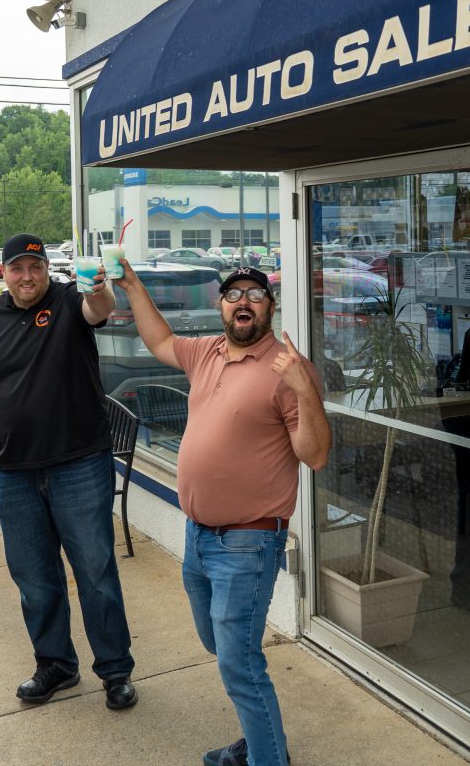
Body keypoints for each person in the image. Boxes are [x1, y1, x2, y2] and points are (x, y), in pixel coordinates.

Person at [115, 261, 331, 766]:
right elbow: (160, 341)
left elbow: (315, 455)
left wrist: (303, 388)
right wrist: (131, 286)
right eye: (233, 294)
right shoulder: (208, 352)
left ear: (269, 307)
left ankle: (265, 757)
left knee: (239, 662)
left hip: (248, 543)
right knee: (223, 646)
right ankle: (259, 741)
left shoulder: (286, 368)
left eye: (255, 294)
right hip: (199, 537)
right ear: (221, 305)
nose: (243, 302)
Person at [0, 233, 137, 711]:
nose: (27, 276)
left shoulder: (69, 299)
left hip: (80, 464)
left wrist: (98, 285)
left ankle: (115, 671)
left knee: (95, 573)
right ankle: (56, 664)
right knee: (34, 578)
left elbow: (99, 307)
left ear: (47, 268)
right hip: (14, 472)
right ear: (3, 272)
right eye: (18, 268)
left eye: (35, 266)